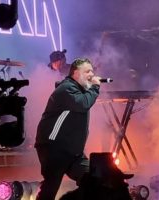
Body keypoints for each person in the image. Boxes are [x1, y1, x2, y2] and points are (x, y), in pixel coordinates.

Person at [35, 58, 101, 199]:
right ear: (76, 73)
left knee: (94, 179)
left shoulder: (78, 90)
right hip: (54, 147)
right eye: (87, 71)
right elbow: (83, 104)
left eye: (92, 71)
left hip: (73, 151)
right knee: (50, 188)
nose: (91, 74)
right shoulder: (66, 88)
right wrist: (95, 87)